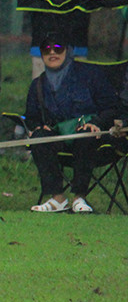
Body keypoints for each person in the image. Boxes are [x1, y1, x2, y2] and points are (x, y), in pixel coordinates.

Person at [23, 32, 119, 213]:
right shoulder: (37, 84)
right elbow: (31, 116)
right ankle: (57, 197)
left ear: (68, 51)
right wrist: (37, 126)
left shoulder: (91, 75)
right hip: (56, 139)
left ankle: (79, 197)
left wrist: (97, 122)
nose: (52, 53)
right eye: (46, 49)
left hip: (92, 139)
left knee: (86, 135)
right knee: (39, 137)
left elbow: (112, 107)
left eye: (58, 48)